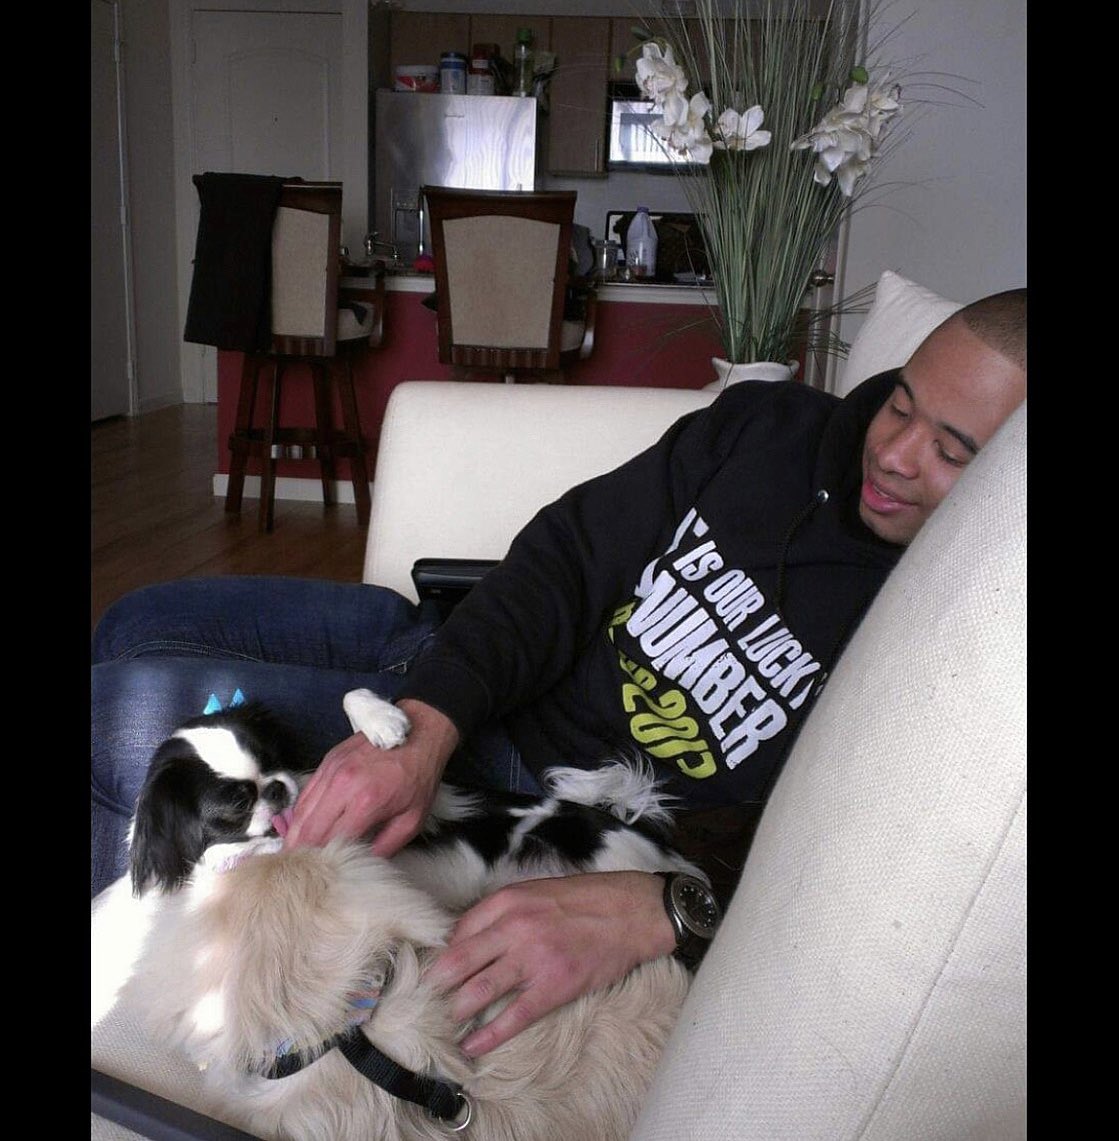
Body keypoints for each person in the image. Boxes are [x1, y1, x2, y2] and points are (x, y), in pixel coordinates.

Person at [91, 288, 1026, 1058]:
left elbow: (860, 870)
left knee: (108, 723)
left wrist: (676, 909)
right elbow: (570, 557)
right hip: (442, 660)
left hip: (521, 796)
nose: (895, 454)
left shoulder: (955, 641)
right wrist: (426, 722)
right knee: (133, 622)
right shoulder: (773, 426)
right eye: (900, 403)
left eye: (951, 449)